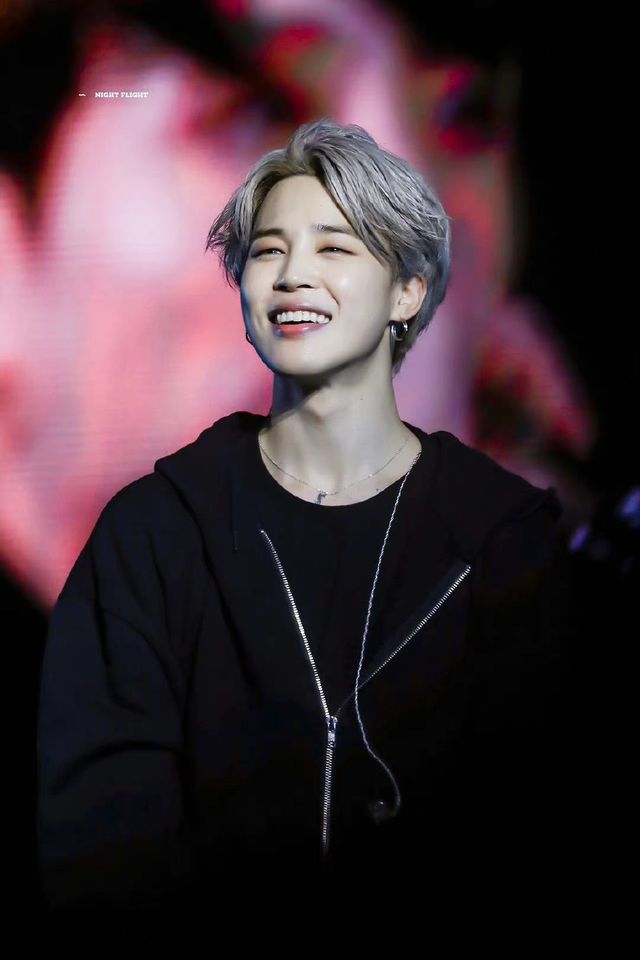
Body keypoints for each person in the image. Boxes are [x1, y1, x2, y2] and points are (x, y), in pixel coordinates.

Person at [37, 118, 585, 958]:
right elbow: (97, 846)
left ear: (407, 291)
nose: (294, 275)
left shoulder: (504, 540)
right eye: (267, 251)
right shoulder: (152, 536)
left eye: (335, 247)